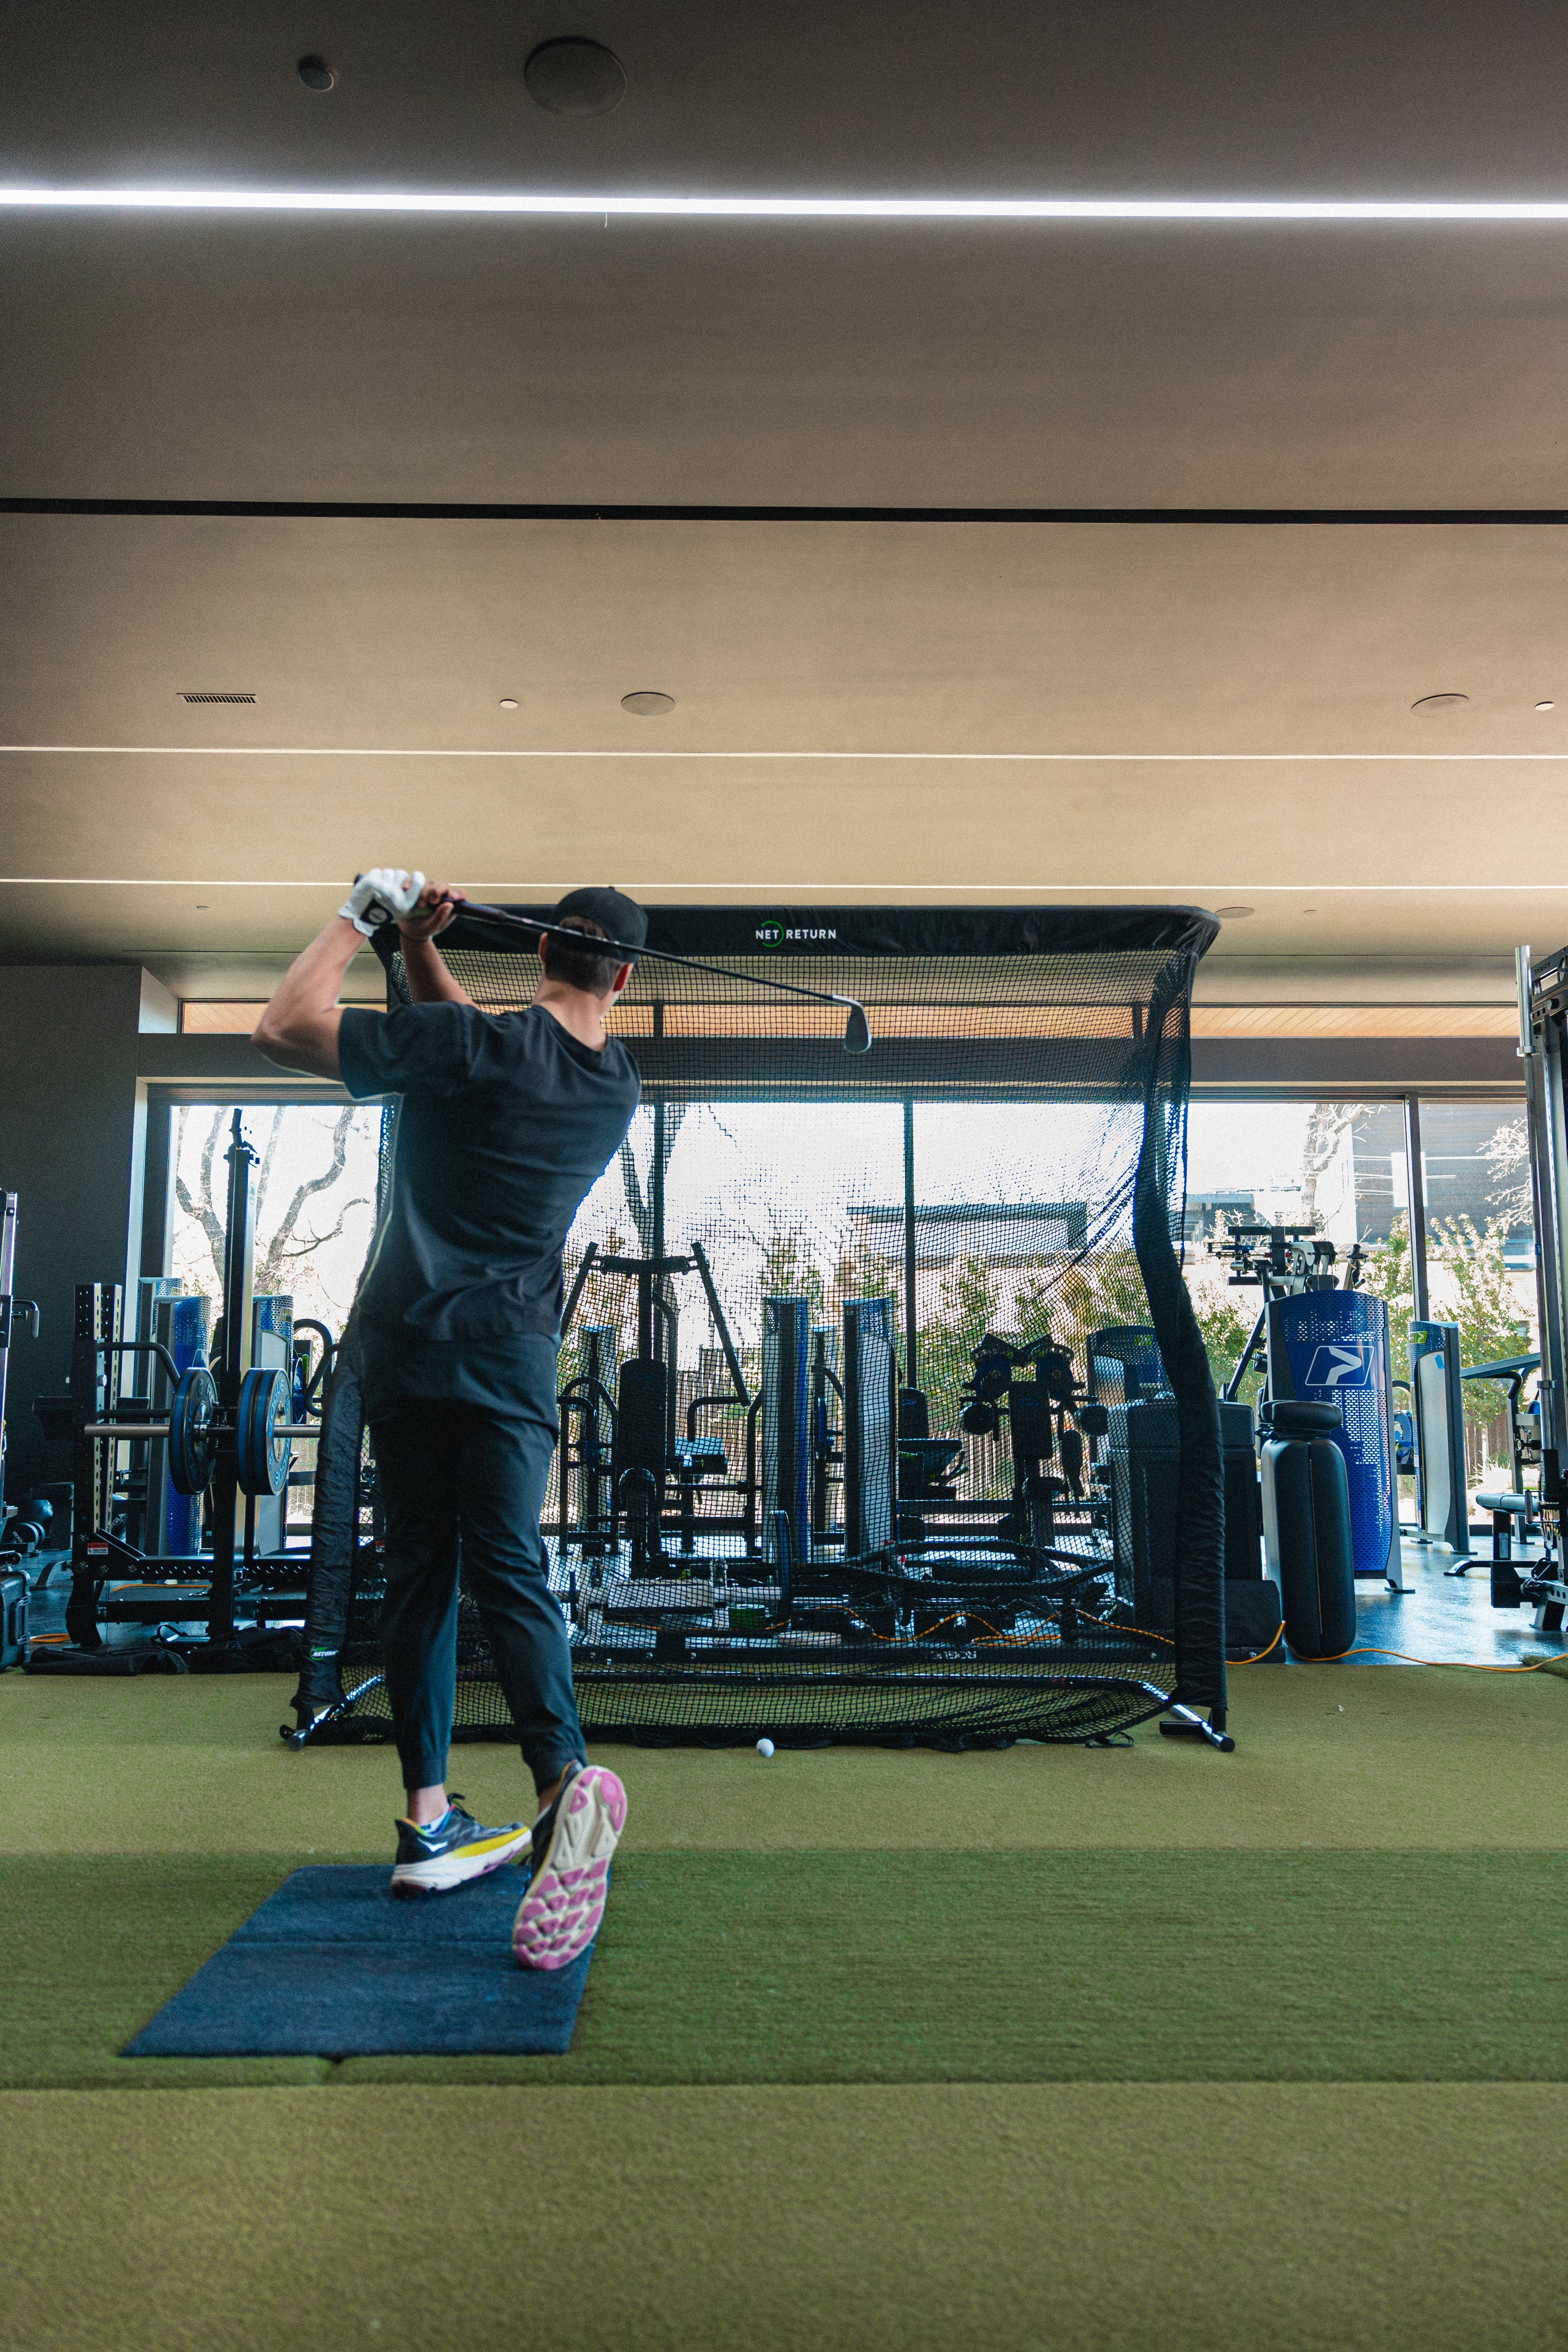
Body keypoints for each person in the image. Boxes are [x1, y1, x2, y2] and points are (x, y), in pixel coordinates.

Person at [255, 870, 645, 1971]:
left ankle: (429, 1822)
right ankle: (562, 1780)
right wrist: (420, 951)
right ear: (617, 975)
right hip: (510, 1352)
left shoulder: (474, 1053)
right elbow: (475, 1043)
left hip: (405, 1346)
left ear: (537, 954)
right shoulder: (613, 1083)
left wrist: (358, 915)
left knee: (419, 1572)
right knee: (509, 1565)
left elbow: (283, 1024)